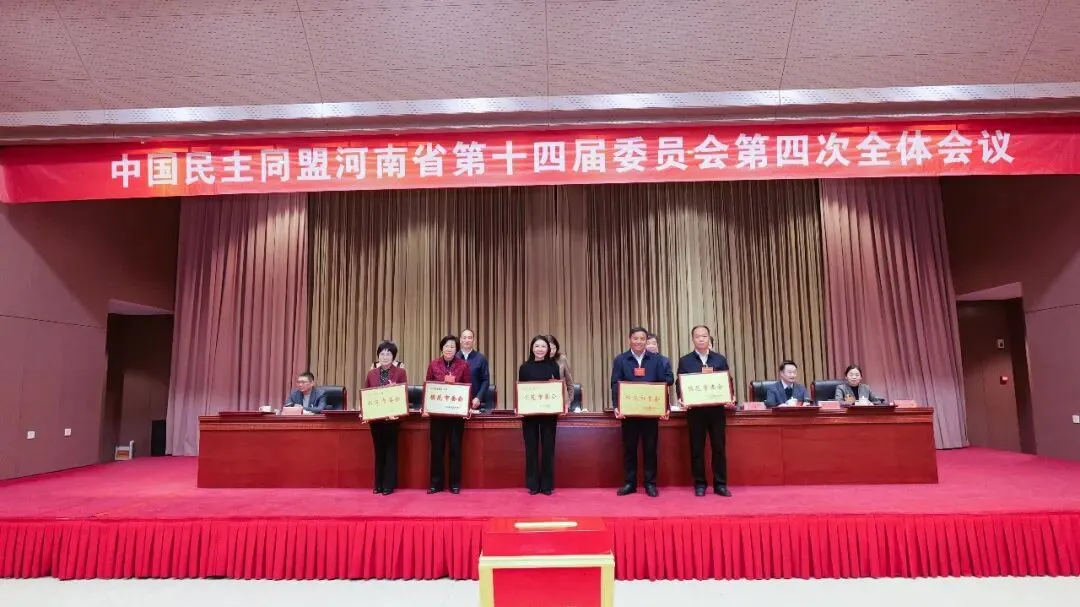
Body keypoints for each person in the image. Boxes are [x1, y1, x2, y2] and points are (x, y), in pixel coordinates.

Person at [611, 326, 674, 498]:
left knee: (650, 449)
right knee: (629, 449)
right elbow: (615, 384)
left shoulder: (656, 360)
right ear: (629, 340)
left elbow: (663, 384)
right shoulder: (621, 360)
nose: (639, 341)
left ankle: (650, 484)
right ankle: (630, 483)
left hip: (650, 413)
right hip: (629, 413)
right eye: (635, 338)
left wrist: (664, 407)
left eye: (642, 339)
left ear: (646, 341)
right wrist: (617, 406)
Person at [676, 325, 732, 497]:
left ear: (709, 338)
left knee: (719, 448)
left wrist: (730, 395)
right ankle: (700, 484)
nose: (701, 339)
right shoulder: (685, 361)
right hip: (696, 412)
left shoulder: (719, 359)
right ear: (693, 339)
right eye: (697, 336)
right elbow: (680, 383)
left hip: (716, 411)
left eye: (704, 336)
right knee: (697, 449)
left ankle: (720, 484)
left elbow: (727, 381)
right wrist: (681, 397)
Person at [425, 335, 472, 494]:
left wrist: (466, 406)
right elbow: (428, 386)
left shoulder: (463, 365)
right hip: (437, 416)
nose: (449, 349)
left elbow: (468, 386)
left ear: (456, 349)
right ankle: (435, 484)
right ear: (442, 348)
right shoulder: (433, 364)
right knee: (437, 449)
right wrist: (426, 406)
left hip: (456, 416)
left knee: (455, 449)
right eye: (446, 346)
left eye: (452, 346)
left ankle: (454, 484)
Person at [518, 335, 562, 495]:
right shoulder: (524, 367)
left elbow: (557, 389)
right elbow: (521, 390)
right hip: (530, 415)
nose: (540, 349)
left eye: (543, 346)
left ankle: (547, 485)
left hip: (549, 414)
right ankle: (533, 485)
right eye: (537, 346)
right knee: (531, 449)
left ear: (548, 349)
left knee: (548, 449)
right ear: (532, 348)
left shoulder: (553, 366)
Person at [365, 341, 407, 495]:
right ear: (378, 356)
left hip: (392, 419)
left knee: (390, 450)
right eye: (382, 354)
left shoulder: (400, 372)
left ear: (393, 356)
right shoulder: (371, 374)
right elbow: (367, 394)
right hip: (376, 419)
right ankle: (378, 484)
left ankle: (389, 485)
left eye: (388, 354)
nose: (384, 357)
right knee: (379, 450)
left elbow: (403, 393)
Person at [458, 329, 492, 412]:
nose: (467, 340)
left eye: (469, 338)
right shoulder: (455, 357)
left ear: (473, 340)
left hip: (474, 402)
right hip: (456, 401)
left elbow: (485, 380)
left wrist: (478, 398)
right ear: (460, 340)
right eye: (464, 338)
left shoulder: (481, 358)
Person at [547, 334, 576, 411]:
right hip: (545, 398)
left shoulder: (562, 359)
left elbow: (569, 382)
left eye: (554, 348)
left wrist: (569, 400)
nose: (552, 351)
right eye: (549, 349)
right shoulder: (540, 360)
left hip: (561, 398)